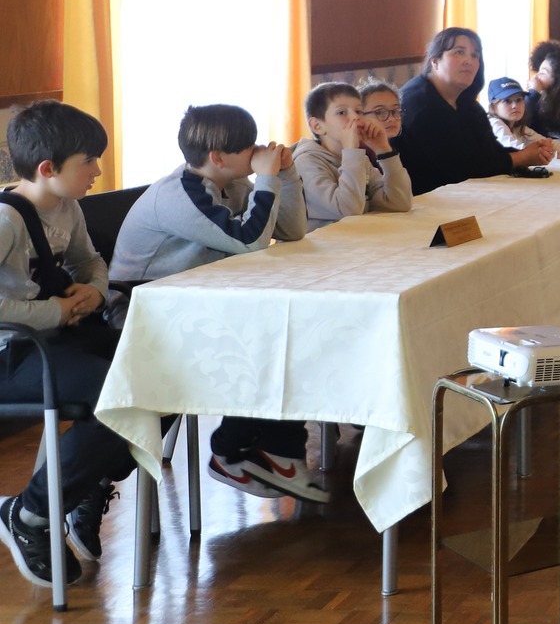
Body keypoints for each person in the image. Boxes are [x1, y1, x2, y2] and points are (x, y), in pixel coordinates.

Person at [110, 105, 324, 504]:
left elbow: (292, 231)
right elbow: (250, 241)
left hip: (196, 303)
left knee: (291, 327)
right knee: (273, 337)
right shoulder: (180, 194)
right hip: (142, 316)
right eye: (249, 146)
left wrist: (286, 174)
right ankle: (242, 451)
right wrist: (266, 177)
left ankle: (257, 451)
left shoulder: (233, 181)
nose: (259, 150)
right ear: (218, 158)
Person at [0, 102, 128, 588]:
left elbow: (91, 262)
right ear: (48, 169)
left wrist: (94, 290)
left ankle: (86, 481)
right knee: (114, 391)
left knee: (159, 368)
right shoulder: (7, 221)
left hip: (55, 340)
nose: (98, 170)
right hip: (12, 353)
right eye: (89, 162)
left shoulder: (67, 206)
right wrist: (53, 311)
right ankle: (30, 514)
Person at [397, 28, 550, 194]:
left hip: (462, 195)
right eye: (459, 52)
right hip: (421, 200)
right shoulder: (418, 102)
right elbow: (459, 167)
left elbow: (487, 153)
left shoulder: (467, 104)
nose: (468, 61)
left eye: (475, 55)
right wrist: (521, 158)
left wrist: (531, 152)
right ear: (435, 61)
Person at [292, 81, 414, 230]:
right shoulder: (306, 161)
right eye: (342, 113)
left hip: (358, 240)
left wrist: (384, 151)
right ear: (317, 125)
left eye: (359, 111)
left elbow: (399, 203)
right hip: (321, 247)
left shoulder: (358, 158)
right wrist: (351, 152)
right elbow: (347, 210)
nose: (355, 118)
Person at [486, 77, 556, 156]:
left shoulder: (518, 127)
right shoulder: (494, 124)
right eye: (507, 101)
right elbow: (518, 152)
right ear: (493, 107)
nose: (515, 106)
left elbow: (549, 143)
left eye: (519, 100)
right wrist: (556, 155)